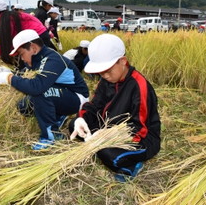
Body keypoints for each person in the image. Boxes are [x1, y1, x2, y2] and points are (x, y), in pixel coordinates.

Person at [68, 34, 161, 182]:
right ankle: (96, 143)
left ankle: (131, 164)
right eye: (100, 72)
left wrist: (108, 137)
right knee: (74, 125)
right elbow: (94, 106)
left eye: (107, 70)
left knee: (109, 155)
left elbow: (140, 129)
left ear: (122, 61)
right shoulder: (106, 80)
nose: (104, 75)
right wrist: (82, 119)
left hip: (139, 139)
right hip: (107, 127)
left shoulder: (139, 85)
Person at [0, 29, 89, 150]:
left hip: (77, 98)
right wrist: (12, 73)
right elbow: (27, 75)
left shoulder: (52, 59)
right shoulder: (38, 58)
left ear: (33, 48)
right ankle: (58, 116)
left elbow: (37, 87)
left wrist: (10, 78)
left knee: (41, 92)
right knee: (24, 105)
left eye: (22, 53)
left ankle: (51, 136)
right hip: (63, 93)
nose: (22, 59)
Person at [0, 0, 53, 69]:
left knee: (29, 65)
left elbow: (8, 42)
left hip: (37, 37)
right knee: (24, 63)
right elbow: (11, 42)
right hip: (37, 36)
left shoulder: (7, 20)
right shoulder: (7, 17)